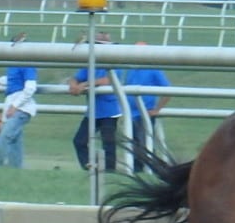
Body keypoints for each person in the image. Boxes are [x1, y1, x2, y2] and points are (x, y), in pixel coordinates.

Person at [68, 32, 121, 171]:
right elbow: (76, 77)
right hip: (93, 111)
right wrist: (73, 84)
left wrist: (84, 84)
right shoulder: (91, 63)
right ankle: (89, 167)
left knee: (108, 144)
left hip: (109, 111)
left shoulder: (115, 62)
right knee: (79, 141)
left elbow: (108, 80)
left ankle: (109, 171)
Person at [125, 42, 171, 172]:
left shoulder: (153, 69)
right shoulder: (131, 69)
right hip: (132, 114)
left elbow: (168, 90)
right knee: (134, 143)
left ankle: (150, 169)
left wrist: (157, 109)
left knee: (144, 143)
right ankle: (138, 169)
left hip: (146, 114)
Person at [0, 54, 39, 168]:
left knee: (4, 137)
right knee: (15, 142)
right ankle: (16, 169)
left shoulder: (27, 65)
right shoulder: (14, 65)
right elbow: (13, 78)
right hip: (14, 107)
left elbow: (30, 87)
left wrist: (14, 106)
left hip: (21, 108)